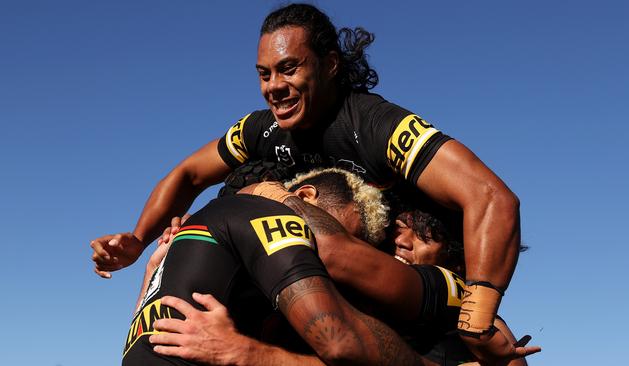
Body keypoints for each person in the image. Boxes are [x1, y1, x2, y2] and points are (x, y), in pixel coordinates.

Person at [93, 3, 522, 357]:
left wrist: (478, 312)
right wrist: (138, 238)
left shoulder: (374, 124)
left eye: (289, 69)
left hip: (408, 288)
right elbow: (187, 174)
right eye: (264, 74)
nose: (274, 87)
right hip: (323, 288)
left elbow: (490, 196)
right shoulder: (262, 130)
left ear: (331, 64)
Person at [143, 175, 538, 365]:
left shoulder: (451, 294)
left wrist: (268, 195)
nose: (401, 243)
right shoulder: (346, 295)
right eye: (397, 233)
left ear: (457, 257)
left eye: (424, 238)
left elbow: (333, 251)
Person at [123, 168, 436, 365]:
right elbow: (338, 342)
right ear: (304, 198)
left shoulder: (179, 248)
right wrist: (249, 354)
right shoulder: (274, 215)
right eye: (337, 231)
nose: (336, 269)